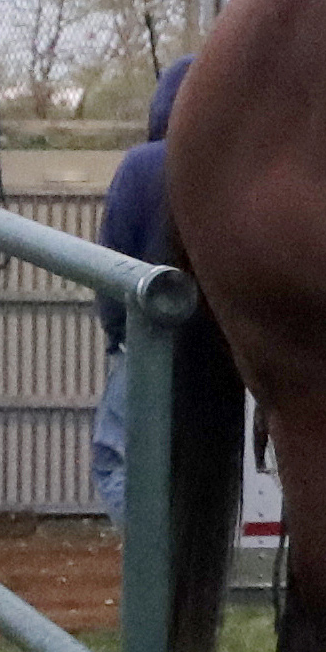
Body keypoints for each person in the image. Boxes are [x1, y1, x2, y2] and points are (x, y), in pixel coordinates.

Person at [92, 57, 192, 528]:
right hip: (216, 345)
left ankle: (151, 560)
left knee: (115, 458)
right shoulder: (230, 166)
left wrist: (117, 333)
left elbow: (112, 256)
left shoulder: (139, 166)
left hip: (148, 338)